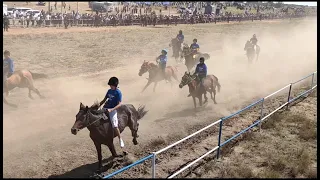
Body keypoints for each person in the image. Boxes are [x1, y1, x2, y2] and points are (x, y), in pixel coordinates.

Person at [98, 77, 124, 148]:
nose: (110, 86)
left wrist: (111, 110)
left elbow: (119, 104)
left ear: (115, 85)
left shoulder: (118, 92)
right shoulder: (109, 91)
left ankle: (120, 139)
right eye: (110, 85)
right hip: (105, 108)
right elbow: (104, 100)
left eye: (111, 85)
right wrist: (98, 105)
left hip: (112, 110)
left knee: (114, 125)